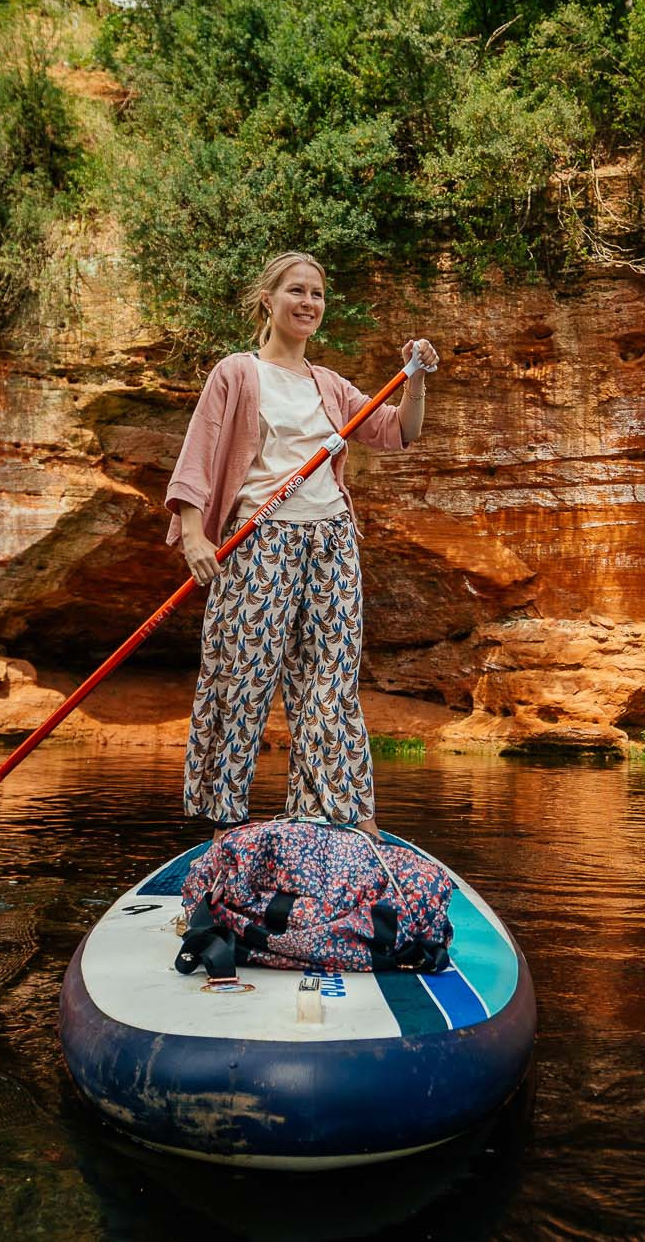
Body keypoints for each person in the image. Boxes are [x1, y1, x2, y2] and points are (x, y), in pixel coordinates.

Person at [164, 251, 438, 844]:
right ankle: (224, 821)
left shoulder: (330, 385)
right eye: (297, 290)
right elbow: (197, 459)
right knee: (241, 673)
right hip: (259, 539)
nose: (308, 302)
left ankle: (342, 814)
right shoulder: (236, 374)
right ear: (269, 300)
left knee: (330, 679)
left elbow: (400, 430)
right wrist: (193, 534)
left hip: (331, 539)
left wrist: (415, 378)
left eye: (317, 293)